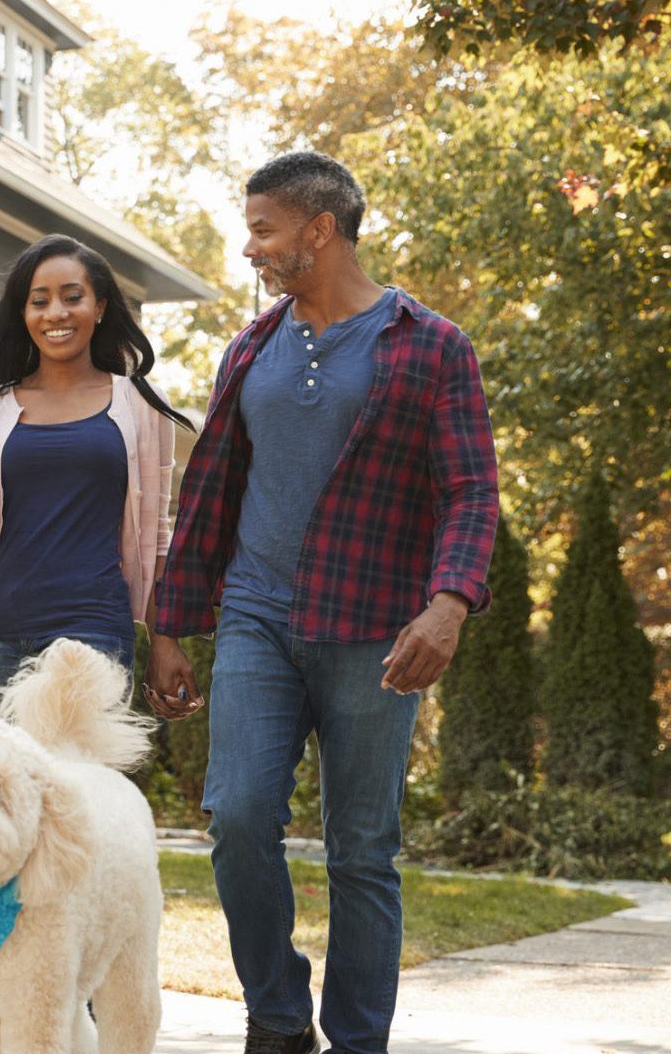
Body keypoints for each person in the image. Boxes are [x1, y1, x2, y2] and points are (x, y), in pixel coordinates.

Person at [145, 152, 500, 1054]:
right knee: (237, 818)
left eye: (263, 228)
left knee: (361, 851)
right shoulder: (252, 346)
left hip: (376, 631)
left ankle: (356, 1041)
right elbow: (213, 490)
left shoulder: (430, 344)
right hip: (258, 618)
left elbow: (468, 491)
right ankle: (275, 1015)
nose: (250, 245)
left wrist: (450, 602)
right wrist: (174, 624)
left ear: (319, 229)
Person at [0, 234, 193, 691]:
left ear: (101, 307)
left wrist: (164, 640)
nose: (55, 313)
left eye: (73, 298)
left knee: (82, 765)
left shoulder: (141, 405)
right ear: (23, 313)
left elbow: (156, 536)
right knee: (4, 766)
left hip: (95, 631)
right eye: (39, 301)